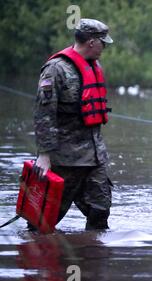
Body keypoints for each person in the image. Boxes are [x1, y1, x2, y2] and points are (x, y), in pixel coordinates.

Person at [32, 18, 114, 230]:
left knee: (100, 213)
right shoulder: (55, 69)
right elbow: (44, 114)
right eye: (102, 43)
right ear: (91, 42)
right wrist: (44, 155)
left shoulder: (95, 66)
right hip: (64, 160)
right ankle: (38, 258)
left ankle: (93, 257)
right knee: (42, 223)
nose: (104, 47)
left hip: (95, 157)